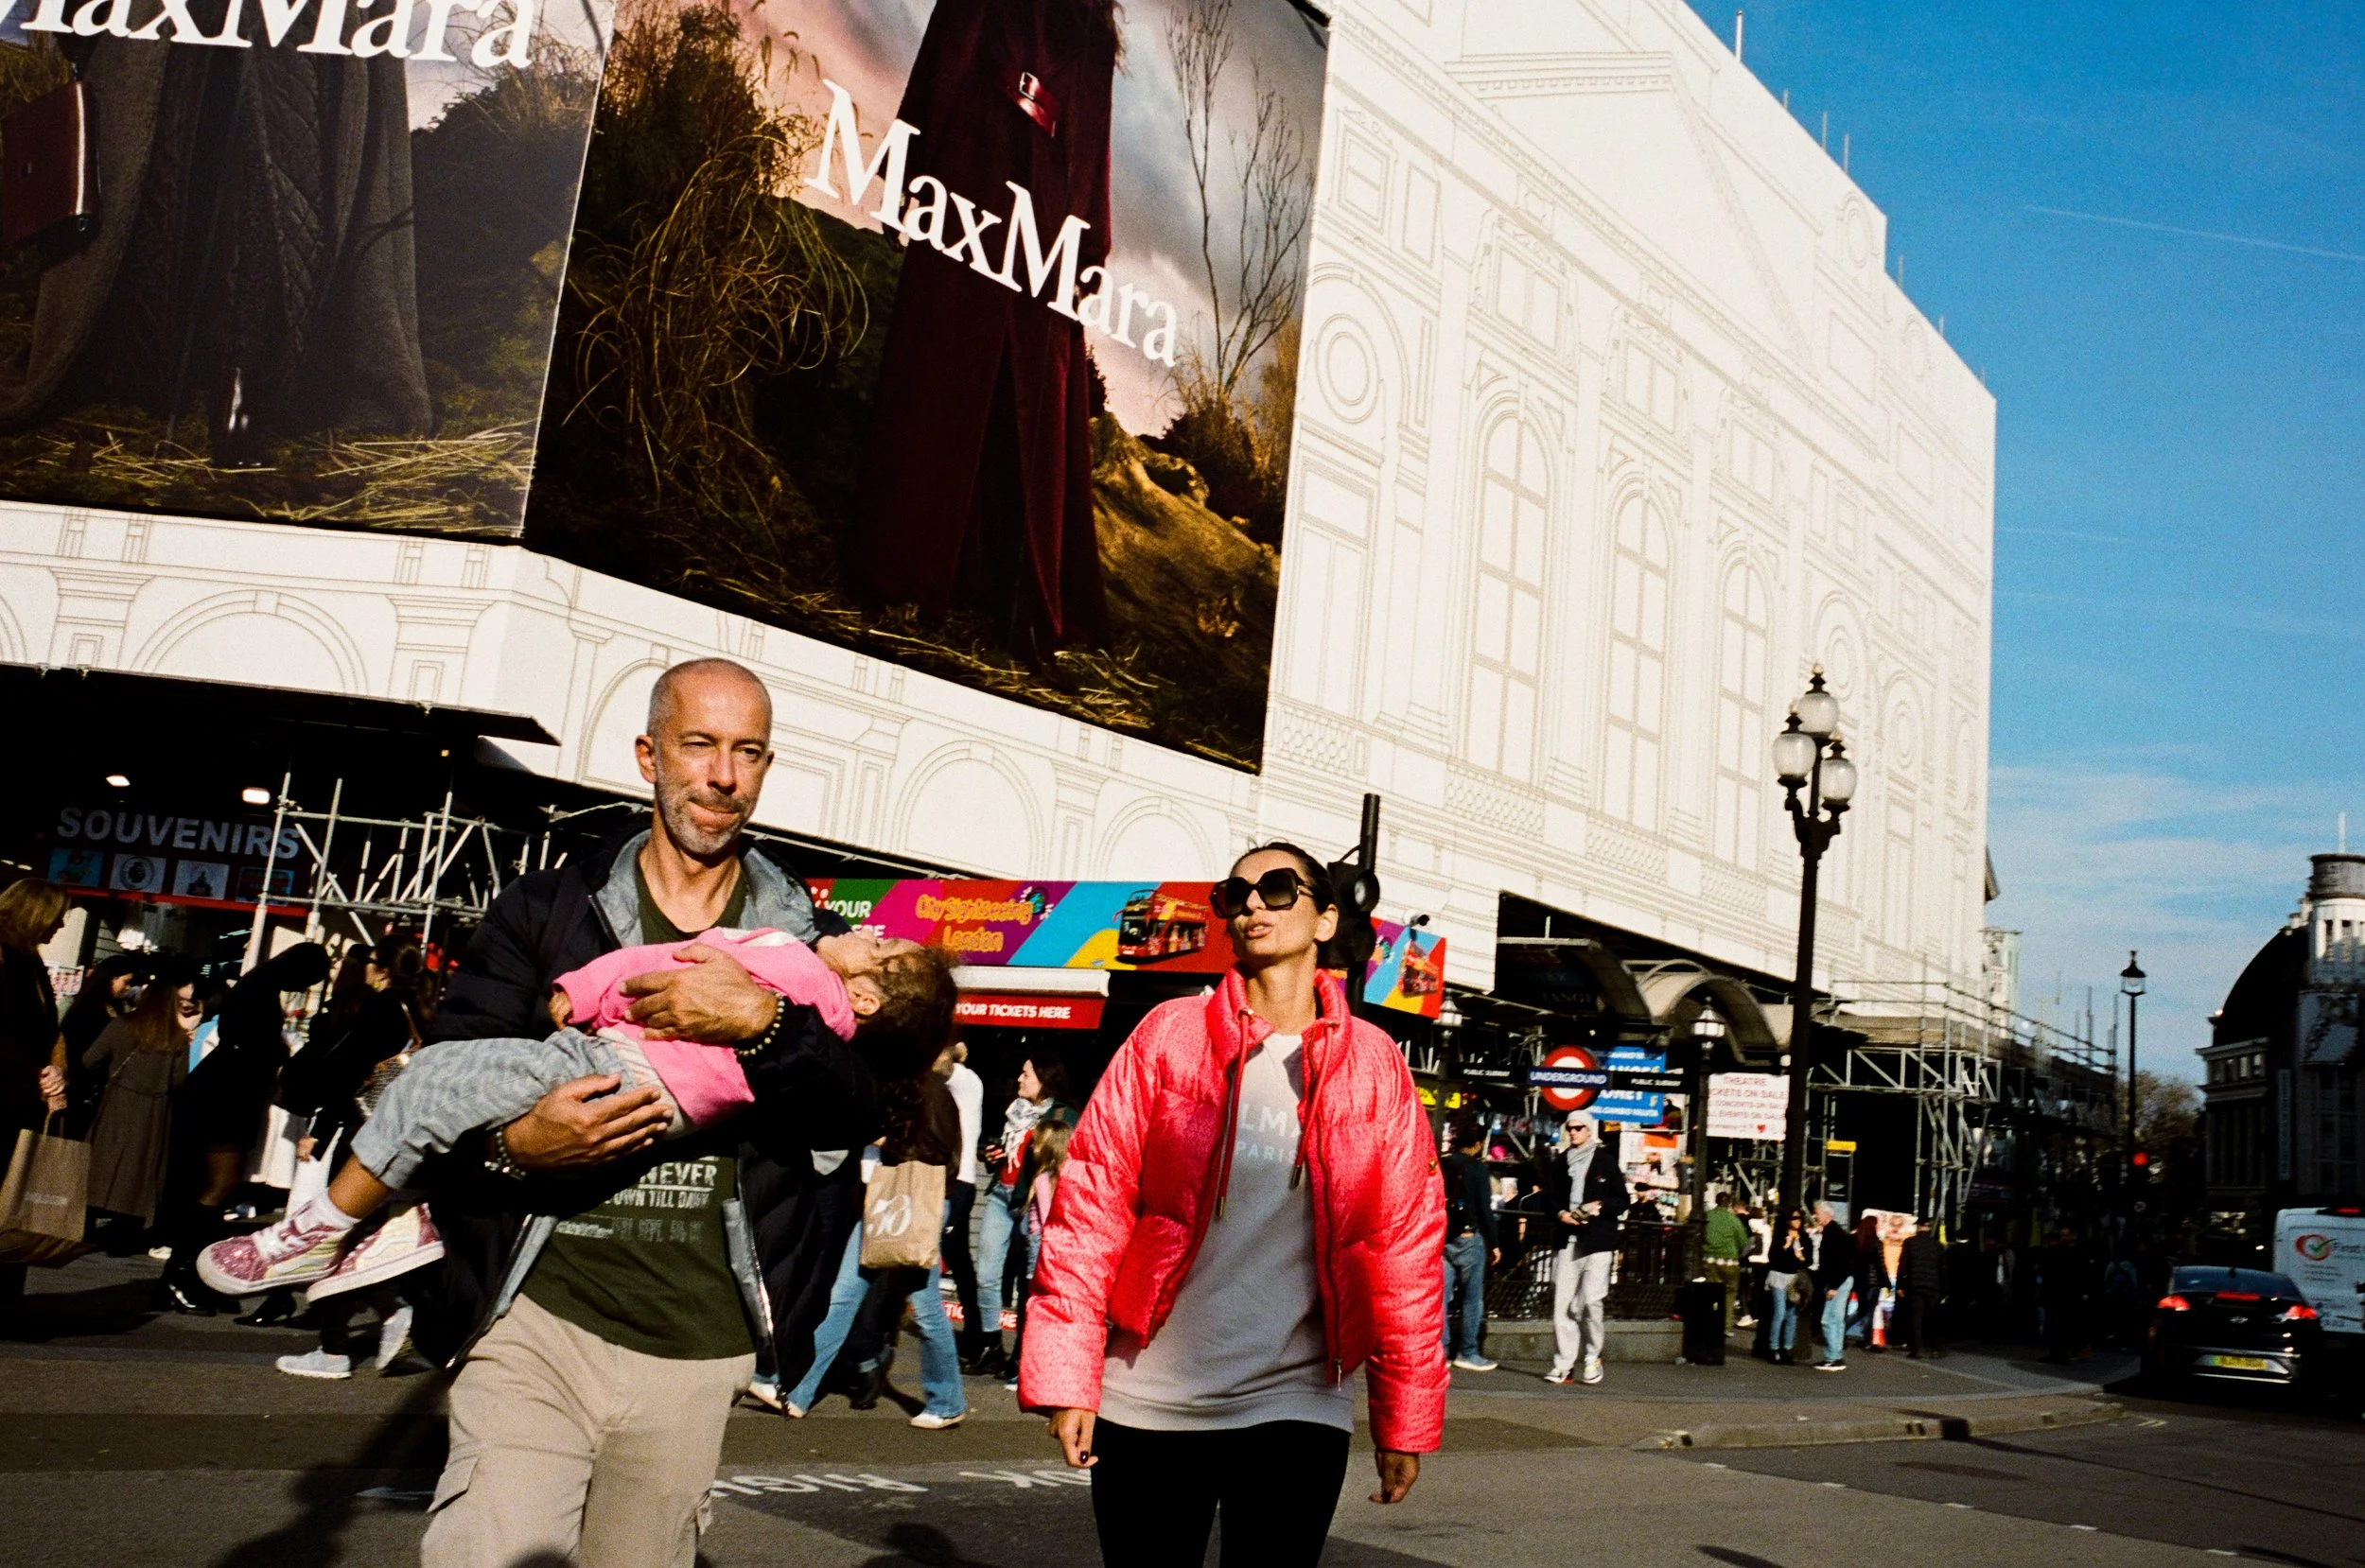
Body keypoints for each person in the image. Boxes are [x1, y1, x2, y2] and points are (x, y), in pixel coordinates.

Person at [404, 657, 890, 1568]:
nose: (722, 775)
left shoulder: (800, 932)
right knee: (487, 1550)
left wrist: (767, 1020)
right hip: (535, 1318)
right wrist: (518, 1147)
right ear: (648, 756)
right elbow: (445, 1080)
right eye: (699, 745)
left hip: (697, 1343)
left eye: (747, 753)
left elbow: (856, 1109)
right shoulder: (551, 908)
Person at [1022, 844, 1447, 1568]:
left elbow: (1404, 1249)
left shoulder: (1375, 1064)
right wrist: (1069, 1376)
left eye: (1277, 889)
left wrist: (1403, 1417)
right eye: (1235, 893)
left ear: (1325, 920)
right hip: (1149, 1399)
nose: (1251, 904)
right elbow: (1092, 1209)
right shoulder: (1169, 1035)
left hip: (1297, 1400)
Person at [197, 926, 952, 1296]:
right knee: (445, 1092)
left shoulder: (792, 959)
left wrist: (584, 988)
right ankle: (411, 1222)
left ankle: (313, 1234)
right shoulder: (826, 1019)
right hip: (658, 1102)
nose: (874, 933)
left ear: (865, 997)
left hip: (607, 1064)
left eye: (884, 952)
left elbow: (670, 957)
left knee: (428, 1083)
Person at [855, 0, 1118, 654]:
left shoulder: (1089, 26)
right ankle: (907, 565)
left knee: (1027, 390)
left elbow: (1092, 140)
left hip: (1042, 205)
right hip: (970, 171)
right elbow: (941, 66)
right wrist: (908, 175)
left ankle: (1005, 584)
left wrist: (1087, 249)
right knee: (941, 361)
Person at [158, 940, 333, 1313]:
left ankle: (192, 1272)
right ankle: (181, 1272)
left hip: (224, 1091)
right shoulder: (259, 993)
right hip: (225, 1095)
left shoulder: (256, 986)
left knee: (215, 1184)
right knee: (219, 1185)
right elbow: (250, 1047)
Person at [970, 1051, 1073, 1377]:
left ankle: (1022, 1353)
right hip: (1002, 1195)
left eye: (1026, 1074)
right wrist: (991, 1154)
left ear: (1044, 1079)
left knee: (1027, 1282)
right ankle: (990, 1346)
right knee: (986, 1273)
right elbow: (1005, 1154)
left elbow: (1062, 1163)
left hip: (1032, 1205)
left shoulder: (1062, 1115)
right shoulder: (1015, 1112)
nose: (1019, 1079)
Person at [82, 967, 201, 1238]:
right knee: (142, 1165)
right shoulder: (178, 1039)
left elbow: (90, 1060)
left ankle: (87, 1220)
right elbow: (179, 1080)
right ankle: (125, 1228)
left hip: (117, 1102)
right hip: (154, 1109)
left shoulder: (120, 1025)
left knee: (102, 1160)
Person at [0, 879, 68, 1319]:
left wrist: (56, 1069)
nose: (61, 925)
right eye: (57, 915)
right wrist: (39, 1070)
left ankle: (6, 1301)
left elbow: (46, 1027)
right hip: (8, 1090)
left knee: (14, 1203)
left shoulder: (28, 958)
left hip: (22, 1097)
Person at [1543, 1109, 1629, 1386]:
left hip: (1598, 1240)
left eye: (1579, 1128)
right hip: (1568, 1238)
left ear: (1590, 1130)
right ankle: (1564, 1364)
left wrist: (1600, 1207)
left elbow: (1622, 1200)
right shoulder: (1560, 1162)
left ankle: (1593, 1355)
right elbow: (1549, 1198)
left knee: (1591, 1300)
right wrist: (1561, 1215)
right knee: (1561, 1305)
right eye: (1570, 1128)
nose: (1574, 1133)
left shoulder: (1605, 1161)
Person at [1001, 1117, 1073, 1389]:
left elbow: (1045, 1222)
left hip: (1039, 1253)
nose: (1031, 1147)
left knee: (1033, 1313)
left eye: (1037, 1142)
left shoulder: (1043, 1180)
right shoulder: (1061, 1178)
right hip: (1053, 1253)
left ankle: (1027, 1374)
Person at [60, 952, 146, 1139]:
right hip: (84, 1090)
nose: (128, 988)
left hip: (98, 1091)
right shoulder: (87, 1010)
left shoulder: (114, 1007)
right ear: (112, 978)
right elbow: (78, 1054)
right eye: (126, 982)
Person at [940, 1040, 987, 1364]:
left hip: (960, 1181)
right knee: (956, 1257)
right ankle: (975, 1334)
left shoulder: (967, 1080)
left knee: (956, 1258)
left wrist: (953, 1049)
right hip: (950, 1180)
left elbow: (942, 1064)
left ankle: (976, 1336)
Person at [1441, 1119, 1498, 1372]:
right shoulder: (1477, 1169)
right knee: (1472, 1299)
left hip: (1442, 1239)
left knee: (1440, 1299)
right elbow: (1485, 1211)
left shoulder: (1442, 1163)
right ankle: (1468, 1351)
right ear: (1478, 1144)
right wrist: (1494, 1243)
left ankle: (1439, 1352)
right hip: (1467, 1238)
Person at [1810, 1203, 1856, 1371]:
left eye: (1816, 1213)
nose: (1815, 1217)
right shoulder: (1836, 1232)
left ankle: (1832, 1357)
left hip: (1837, 1281)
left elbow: (1841, 1263)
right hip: (1842, 1280)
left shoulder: (1833, 1234)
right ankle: (1836, 1356)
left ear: (1825, 1214)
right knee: (1836, 1320)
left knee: (1828, 1320)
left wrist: (1833, 1286)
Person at [1763, 1208, 1809, 1365]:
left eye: (1800, 1218)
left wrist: (1801, 1257)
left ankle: (1786, 1348)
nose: (1798, 1221)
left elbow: (1807, 1260)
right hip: (1778, 1277)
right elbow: (1773, 1258)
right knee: (1780, 1312)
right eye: (1795, 1218)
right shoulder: (1780, 1237)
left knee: (1792, 1315)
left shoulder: (1804, 1238)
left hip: (1794, 1278)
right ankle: (1773, 1347)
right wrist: (1785, 1246)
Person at [1702, 1190, 1750, 1337]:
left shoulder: (1707, 1216)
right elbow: (1743, 1242)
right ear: (1729, 1203)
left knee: (1711, 1293)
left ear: (1716, 1201)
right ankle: (1726, 1326)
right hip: (1730, 1261)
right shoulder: (1733, 1220)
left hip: (1710, 1259)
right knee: (1729, 1293)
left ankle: (1710, 1323)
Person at [1900, 1215, 1945, 1359]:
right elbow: (1943, 1268)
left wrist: (1901, 1285)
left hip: (1916, 1286)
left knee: (1916, 1319)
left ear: (1918, 1227)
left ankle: (1916, 1349)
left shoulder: (1910, 1243)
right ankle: (1936, 1348)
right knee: (1934, 1318)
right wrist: (1945, 1289)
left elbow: (1903, 1265)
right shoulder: (1938, 1245)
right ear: (1930, 1227)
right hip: (1934, 1286)